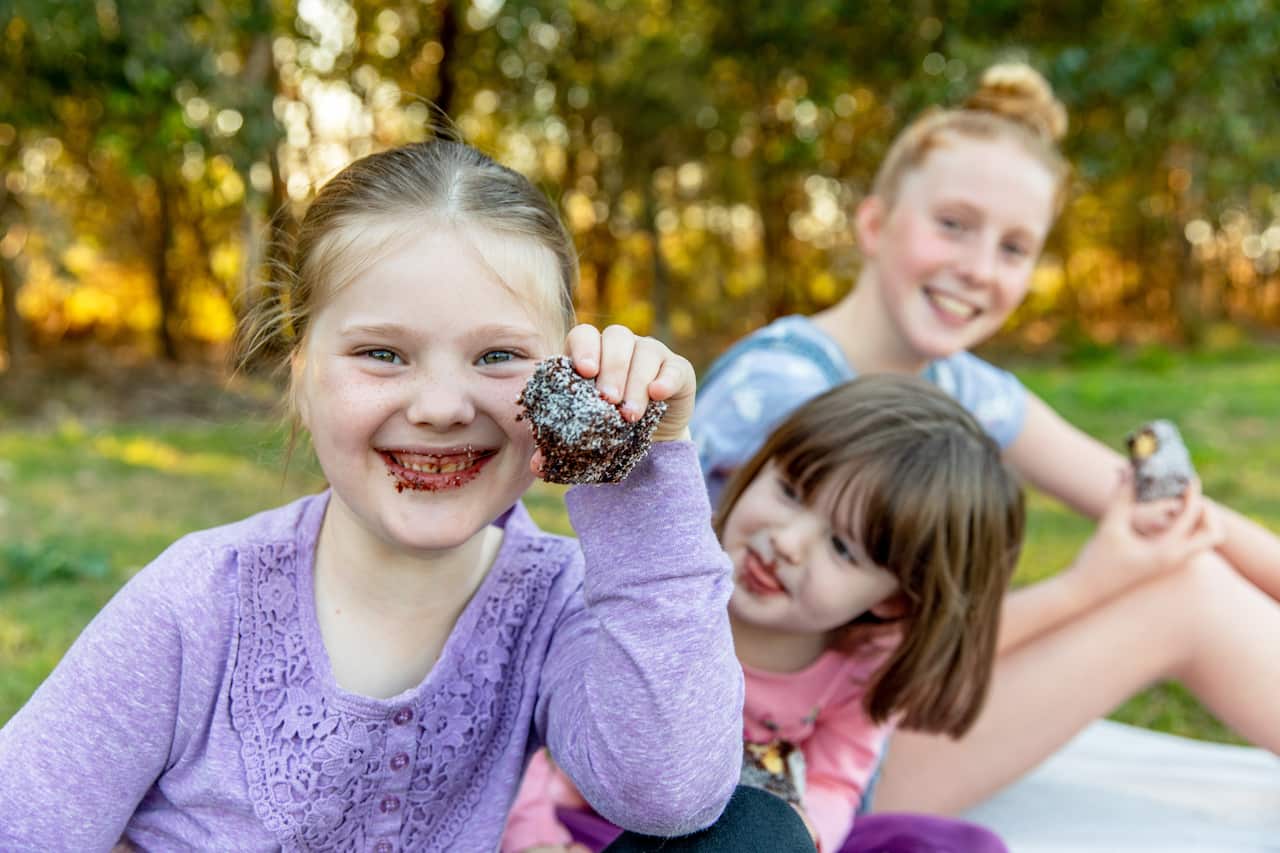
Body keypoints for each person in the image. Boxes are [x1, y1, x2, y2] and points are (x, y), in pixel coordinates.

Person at [0, 140, 765, 851]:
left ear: (567, 374)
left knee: (754, 835)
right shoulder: (198, 602)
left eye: (498, 355)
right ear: (302, 375)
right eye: (382, 353)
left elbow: (671, 791)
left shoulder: (555, 605)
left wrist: (638, 464)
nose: (440, 406)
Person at [690, 62, 1280, 815]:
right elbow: (837, 651)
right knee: (1183, 601)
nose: (976, 268)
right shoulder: (783, 392)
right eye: (954, 225)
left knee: (1186, 571)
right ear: (874, 224)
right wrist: (1090, 586)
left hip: (864, 719)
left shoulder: (956, 381)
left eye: (1013, 247)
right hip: (789, 750)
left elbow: (1170, 511)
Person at [502, 375, 1021, 853]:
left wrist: (807, 830)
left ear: (892, 600)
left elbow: (833, 783)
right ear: (759, 465)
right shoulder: (658, 585)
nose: (787, 542)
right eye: (791, 492)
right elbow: (517, 727)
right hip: (592, 824)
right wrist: (533, 836)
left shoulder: (858, 666)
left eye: (842, 548)